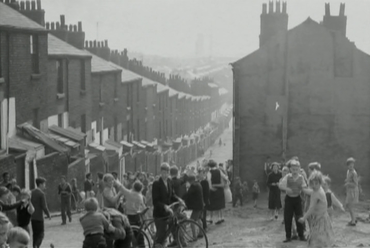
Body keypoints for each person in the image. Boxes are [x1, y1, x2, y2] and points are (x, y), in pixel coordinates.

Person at [152, 163, 185, 248]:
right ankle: (157, 243)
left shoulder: (170, 182)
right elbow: (155, 201)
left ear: (168, 173)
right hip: (160, 214)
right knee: (160, 238)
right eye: (163, 172)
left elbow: (172, 195)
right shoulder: (156, 184)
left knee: (174, 227)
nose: (165, 175)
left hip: (169, 212)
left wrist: (179, 199)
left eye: (166, 173)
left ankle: (178, 242)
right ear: (160, 172)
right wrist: (164, 206)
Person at [298, 171, 334, 247]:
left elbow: (311, 208)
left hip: (321, 219)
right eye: (312, 183)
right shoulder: (318, 189)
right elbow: (311, 191)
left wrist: (304, 218)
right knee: (320, 237)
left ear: (320, 183)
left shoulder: (317, 193)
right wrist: (303, 189)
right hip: (320, 217)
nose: (314, 185)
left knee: (316, 238)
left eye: (316, 183)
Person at [278, 160, 307, 243]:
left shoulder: (301, 177)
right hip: (289, 199)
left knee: (299, 217)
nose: (295, 171)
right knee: (288, 218)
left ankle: (301, 235)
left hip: (297, 199)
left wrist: (303, 190)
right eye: (293, 169)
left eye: (296, 169)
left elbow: (304, 186)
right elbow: (280, 185)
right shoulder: (287, 176)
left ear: (299, 169)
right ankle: (288, 236)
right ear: (290, 169)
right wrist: (287, 189)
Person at [31, 177, 51, 248]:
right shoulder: (41, 194)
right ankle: (37, 245)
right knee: (41, 234)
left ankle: (34, 246)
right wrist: (48, 214)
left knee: (35, 234)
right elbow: (44, 206)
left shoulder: (31, 192)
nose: (44, 185)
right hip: (39, 217)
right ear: (40, 184)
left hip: (32, 217)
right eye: (44, 184)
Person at [183, 174, 204, 240]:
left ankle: (194, 236)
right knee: (199, 219)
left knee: (192, 221)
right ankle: (201, 233)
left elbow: (188, 195)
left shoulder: (193, 186)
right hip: (200, 205)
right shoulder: (198, 184)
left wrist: (182, 198)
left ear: (190, 181)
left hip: (196, 206)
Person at [207, 160, 225, 225]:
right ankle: (221, 218)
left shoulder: (209, 173)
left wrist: (212, 188)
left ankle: (211, 218)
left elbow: (209, 183)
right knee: (219, 204)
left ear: (209, 166)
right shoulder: (219, 171)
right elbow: (225, 178)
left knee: (211, 204)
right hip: (220, 189)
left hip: (213, 190)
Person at [344, 157, 359, 226]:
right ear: (347, 165)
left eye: (352, 165)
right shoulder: (348, 171)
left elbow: (356, 184)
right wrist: (347, 181)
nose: (351, 166)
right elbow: (349, 179)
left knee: (350, 206)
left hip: (353, 191)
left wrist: (348, 183)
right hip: (349, 191)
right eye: (349, 165)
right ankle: (354, 218)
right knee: (349, 205)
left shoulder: (354, 173)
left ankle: (353, 221)